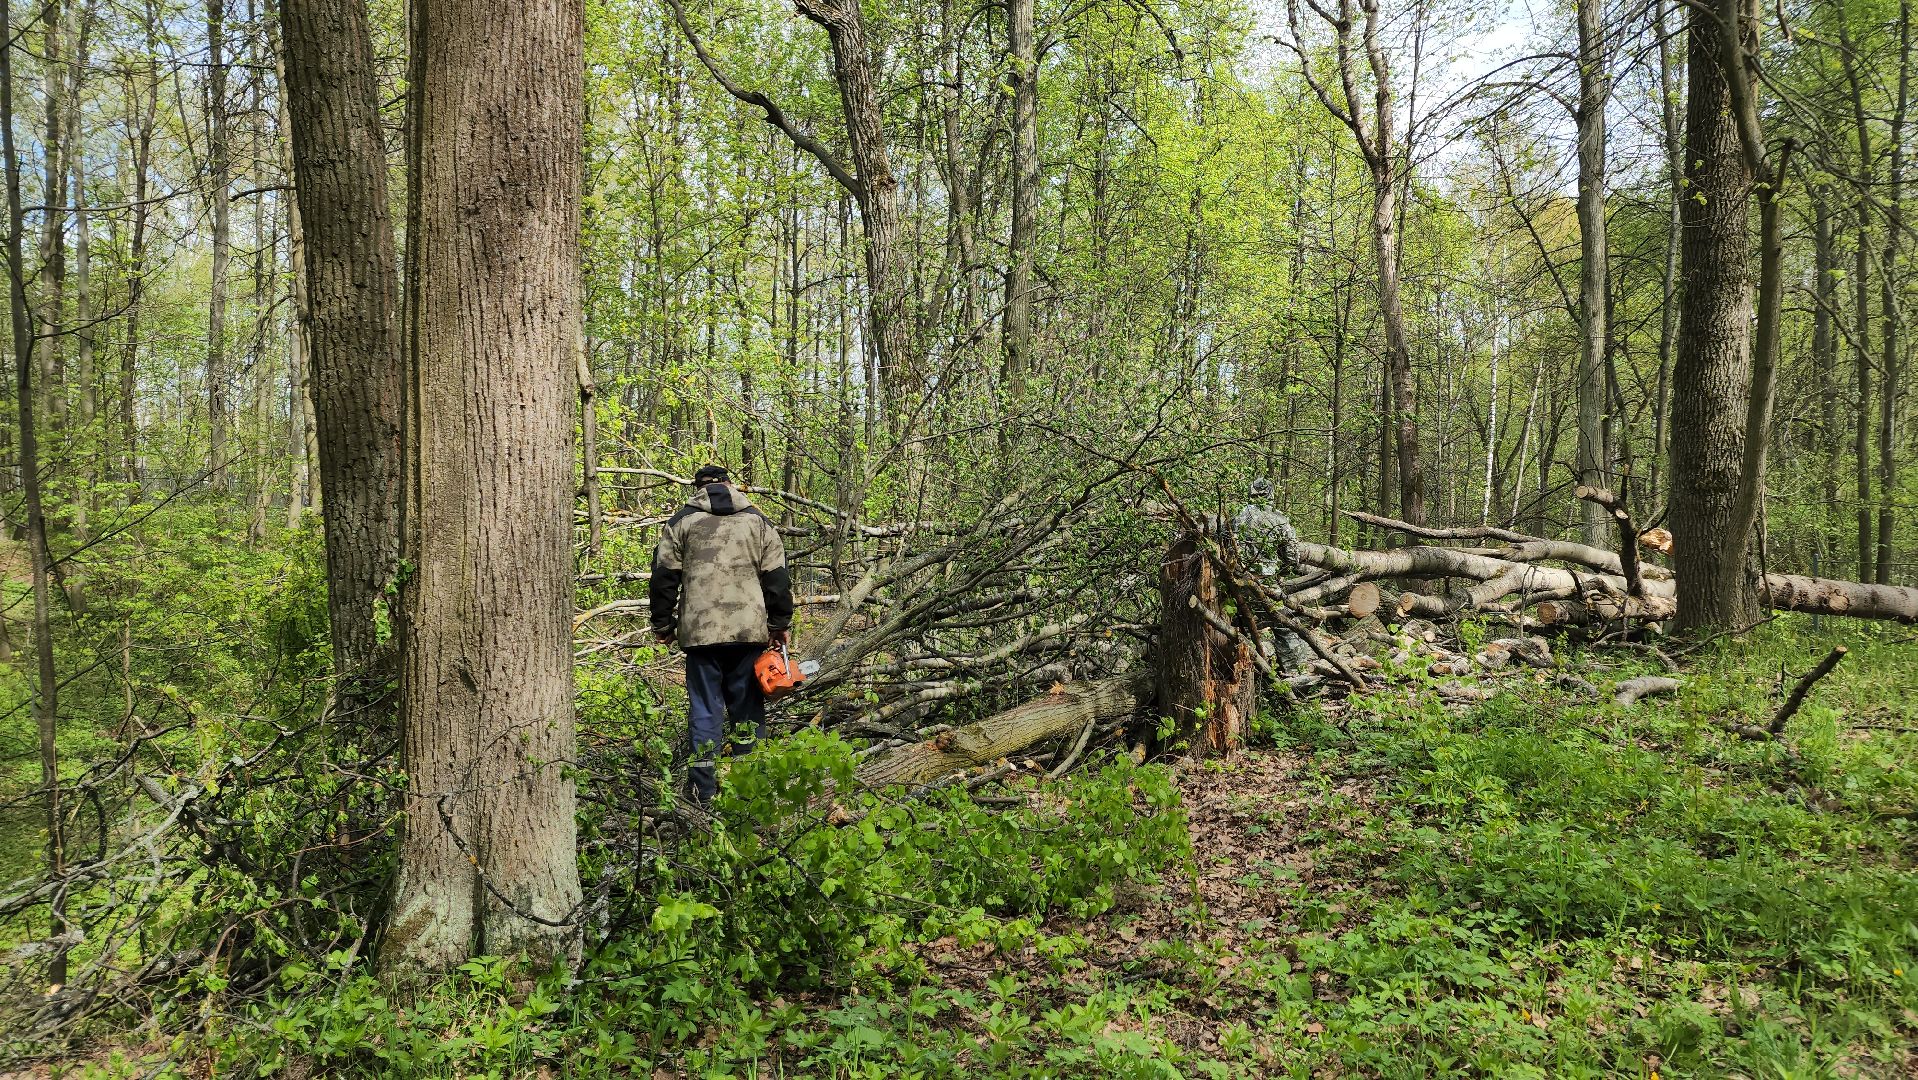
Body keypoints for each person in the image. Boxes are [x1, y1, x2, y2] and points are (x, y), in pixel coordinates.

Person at [649, 465, 794, 803]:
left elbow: (663, 578)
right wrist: (779, 624)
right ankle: (750, 794)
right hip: (748, 632)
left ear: (697, 488)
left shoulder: (681, 522)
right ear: (730, 484)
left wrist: (663, 624)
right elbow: (777, 577)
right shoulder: (758, 521)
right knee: (747, 713)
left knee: (705, 712)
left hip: (700, 636)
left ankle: (703, 793)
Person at [1232, 477, 1314, 672]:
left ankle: (1237, 668)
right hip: (1266, 585)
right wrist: (1280, 574)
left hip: (1235, 584)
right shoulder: (1279, 519)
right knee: (1286, 626)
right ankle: (1295, 673)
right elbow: (1291, 557)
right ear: (1271, 494)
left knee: (1234, 625)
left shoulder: (1236, 516)